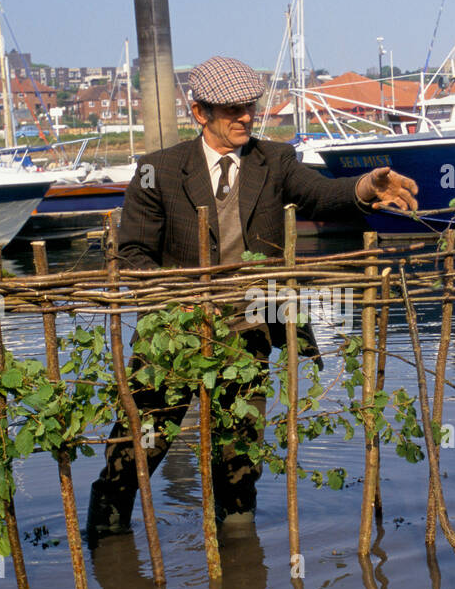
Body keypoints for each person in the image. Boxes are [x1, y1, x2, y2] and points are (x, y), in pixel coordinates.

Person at [87, 55, 417, 543]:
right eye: (232, 110)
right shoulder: (158, 170)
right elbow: (133, 253)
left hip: (249, 332)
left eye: (250, 107)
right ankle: (107, 537)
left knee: (240, 455)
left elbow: (321, 195)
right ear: (200, 113)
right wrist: (180, 302)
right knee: (140, 445)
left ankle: (242, 561)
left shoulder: (275, 161)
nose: (245, 117)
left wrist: (365, 187)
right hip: (173, 334)